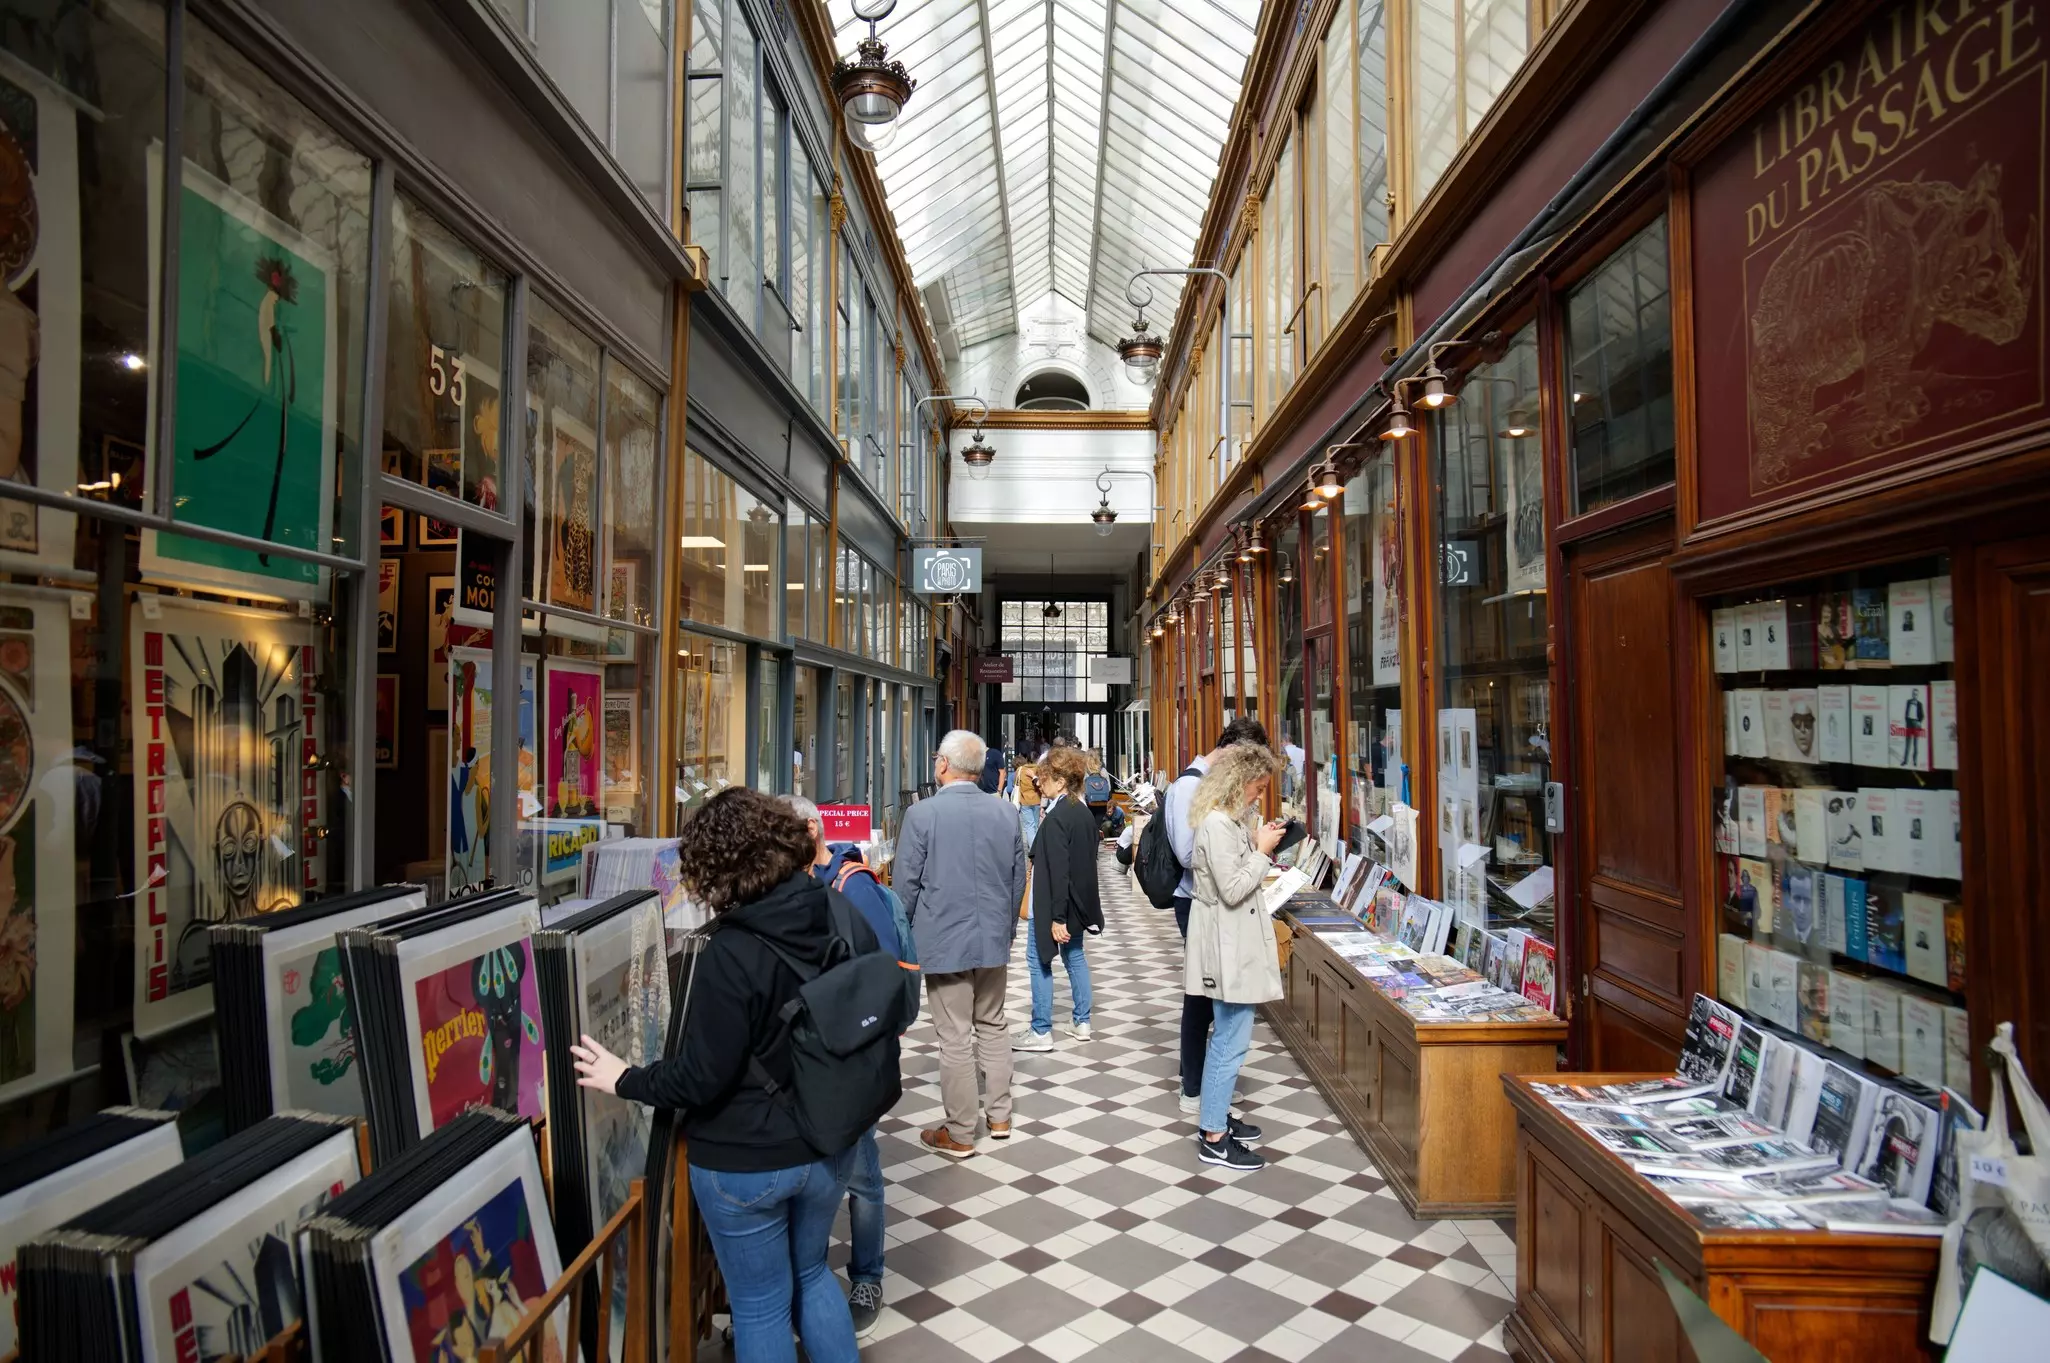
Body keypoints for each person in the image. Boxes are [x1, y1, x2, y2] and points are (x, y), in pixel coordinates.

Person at [569, 787, 876, 1363]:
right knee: (812, 1274)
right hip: (829, 1141)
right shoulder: (832, 904)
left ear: (715, 866)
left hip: (748, 1159)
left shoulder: (729, 952)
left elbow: (700, 1079)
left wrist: (625, 1078)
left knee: (760, 1305)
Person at [782, 795, 890, 1338]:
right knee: (818, 1175)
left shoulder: (853, 884)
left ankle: (867, 1275)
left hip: (848, 1057)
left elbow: (882, 970)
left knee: (862, 1173)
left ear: (807, 831)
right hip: (805, 1061)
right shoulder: (784, 888)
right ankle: (806, 1283)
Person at [895, 729, 1027, 1159]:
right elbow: (1017, 879)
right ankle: (1001, 1116)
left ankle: (960, 1131)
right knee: (993, 1022)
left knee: (953, 1035)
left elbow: (906, 886)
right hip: (992, 937)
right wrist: (1004, 928)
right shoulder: (1005, 813)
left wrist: (904, 939)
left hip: (942, 939)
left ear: (943, 765)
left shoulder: (922, 815)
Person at [1185, 742, 1288, 1171]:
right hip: (1225, 944)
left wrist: (1258, 843)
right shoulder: (1216, 825)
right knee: (1231, 1039)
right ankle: (1214, 1136)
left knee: (1228, 1036)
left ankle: (1215, 1117)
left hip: (1230, 940)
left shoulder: (1227, 821)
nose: (1260, 796)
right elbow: (1231, 889)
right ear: (1237, 783)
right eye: (1258, 788)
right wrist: (1261, 852)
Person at [1165, 718, 1270, 1113]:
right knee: (1202, 999)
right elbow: (1190, 854)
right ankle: (1195, 1087)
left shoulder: (1216, 796)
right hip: (1196, 902)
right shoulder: (1190, 787)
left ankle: (1210, 1086)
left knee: (1215, 1000)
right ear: (1231, 756)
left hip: (1213, 901)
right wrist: (1244, 851)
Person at [1016, 745, 1103, 1051]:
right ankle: (1081, 1021)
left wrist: (1057, 917)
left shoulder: (1057, 819)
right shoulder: (1081, 813)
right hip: (1075, 903)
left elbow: (1058, 871)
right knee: (1074, 956)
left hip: (1053, 904)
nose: (1039, 782)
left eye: (1044, 777)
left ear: (1062, 781)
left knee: (1038, 959)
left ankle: (1040, 1030)